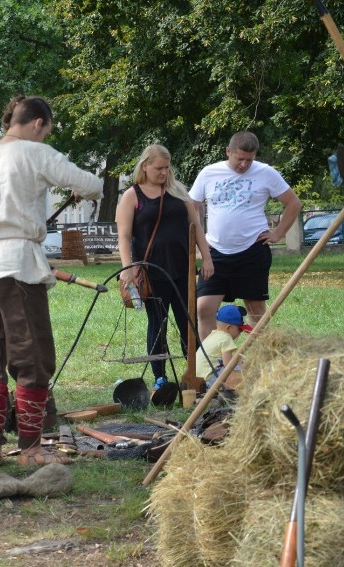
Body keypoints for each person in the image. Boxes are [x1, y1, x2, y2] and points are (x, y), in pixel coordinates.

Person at [0, 95, 103, 467]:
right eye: (46, 129)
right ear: (38, 124)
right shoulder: (38, 154)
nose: (44, 135)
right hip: (19, 265)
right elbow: (93, 184)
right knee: (30, 354)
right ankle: (31, 449)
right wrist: (80, 190)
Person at [115, 145, 213, 390]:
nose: (163, 172)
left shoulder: (178, 191)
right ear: (145, 165)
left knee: (187, 322)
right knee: (157, 323)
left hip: (183, 269)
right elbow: (124, 237)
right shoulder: (132, 195)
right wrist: (128, 268)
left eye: (167, 168)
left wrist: (207, 257)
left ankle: (195, 373)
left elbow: (196, 226)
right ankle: (160, 378)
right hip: (150, 271)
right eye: (158, 168)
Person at [190, 131, 301, 338]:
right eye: (239, 159)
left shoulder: (266, 173)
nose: (243, 164)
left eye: (249, 160)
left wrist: (278, 233)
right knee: (203, 308)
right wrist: (201, 241)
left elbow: (294, 203)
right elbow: (191, 206)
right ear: (228, 152)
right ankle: (213, 363)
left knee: (256, 309)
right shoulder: (208, 173)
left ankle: (259, 359)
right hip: (215, 253)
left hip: (252, 251)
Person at [195, 304, 251, 389]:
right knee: (242, 376)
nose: (240, 333)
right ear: (228, 328)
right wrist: (244, 367)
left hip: (199, 377)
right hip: (211, 378)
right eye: (239, 329)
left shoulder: (214, 334)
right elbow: (228, 365)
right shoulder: (226, 338)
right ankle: (225, 392)